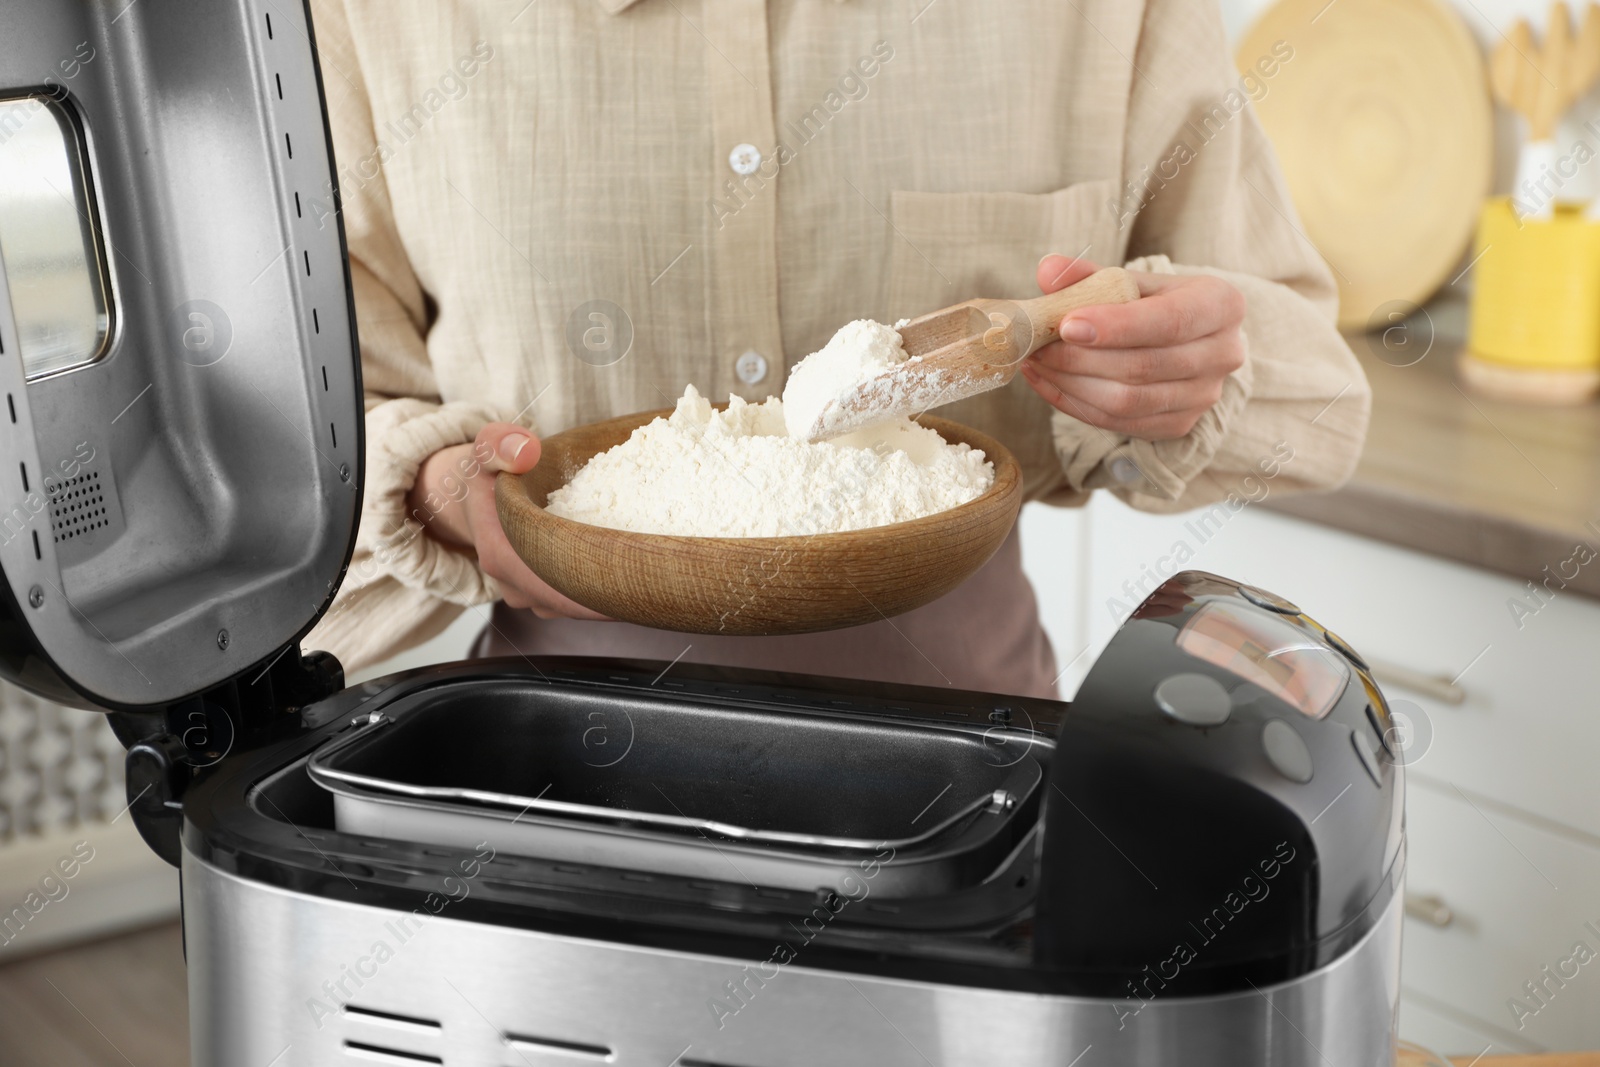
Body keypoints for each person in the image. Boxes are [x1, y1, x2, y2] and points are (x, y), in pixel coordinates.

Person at [305, 0, 1370, 700]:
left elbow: (1317, 402)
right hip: (554, 777)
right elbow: (287, 422)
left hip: (976, 779)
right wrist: (438, 493)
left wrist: (1180, 365)